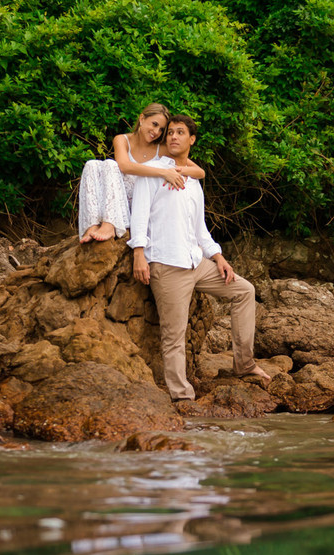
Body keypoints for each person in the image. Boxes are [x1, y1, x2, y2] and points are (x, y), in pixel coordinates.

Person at [127, 114, 270, 401]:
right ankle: (182, 396)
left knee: (244, 291)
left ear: (192, 140)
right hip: (167, 265)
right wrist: (139, 254)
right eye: (170, 133)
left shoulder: (193, 180)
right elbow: (139, 216)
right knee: (173, 336)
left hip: (197, 262)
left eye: (180, 133)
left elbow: (199, 228)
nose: (173, 137)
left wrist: (218, 256)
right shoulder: (152, 172)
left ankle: (244, 364)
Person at [78, 103, 206, 243]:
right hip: (119, 200)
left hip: (141, 203)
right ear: (142, 119)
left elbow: (200, 172)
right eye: (154, 124)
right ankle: (91, 226)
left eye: (161, 129)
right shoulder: (122, 139)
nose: (156, 132)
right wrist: (163, 172)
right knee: (92, 165)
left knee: (109, 164)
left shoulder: (162, 148)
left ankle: (110, 225)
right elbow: (124, 166)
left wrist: (175, 171)